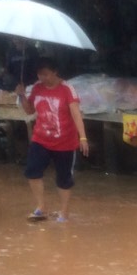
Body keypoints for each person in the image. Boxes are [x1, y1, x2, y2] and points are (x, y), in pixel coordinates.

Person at [16, 56, 90, 222]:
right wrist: (22, 96)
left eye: (46, 74)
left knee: (64, 178)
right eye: (40, 74)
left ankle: (64, 213)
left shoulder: (67, 89)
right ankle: (41, 207)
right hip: (41, 139)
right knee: (32, 172)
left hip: (65, 142)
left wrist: (83, 137)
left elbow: (76, 114)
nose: (43, 78)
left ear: (55, 72)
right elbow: (29, 111)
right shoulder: (37, 87)